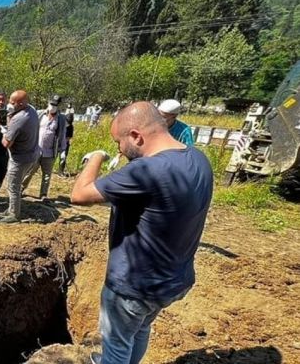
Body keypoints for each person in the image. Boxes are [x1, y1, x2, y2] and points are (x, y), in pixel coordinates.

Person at [69, 101, 213, 364]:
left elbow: (79, 194)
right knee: (140, 328)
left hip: (133, 285)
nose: (119, 150)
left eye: (119, 142)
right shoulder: (198, 159)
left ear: (136, 136)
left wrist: (96, 157)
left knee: (116, 346)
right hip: (172, 280)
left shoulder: (146, 170)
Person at [0, 90, 39, 223]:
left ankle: (14, 214)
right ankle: (11, 208)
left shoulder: (19, 119)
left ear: (21, 104)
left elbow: (6, 143)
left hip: (20, 159)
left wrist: (4, 131)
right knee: (14, 184)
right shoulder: (31, 110)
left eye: (12, 103)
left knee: (13, 186)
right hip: (31, 154)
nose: (9, 105)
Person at [22, 94, 68, 202]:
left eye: (55, 105)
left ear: (58, 106)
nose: (52, 107)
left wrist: (63, 151)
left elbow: (62, 135)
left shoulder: (61, 119)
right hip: (36, 150)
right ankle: (21, 189)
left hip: (50, 152)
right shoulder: (40, 114)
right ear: (48, 103)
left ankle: (43, 194)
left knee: (47, 175)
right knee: (30, 171)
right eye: (51, 104)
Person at [58, 102, 76, 176]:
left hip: (65, 143)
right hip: (58, 142)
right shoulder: (61, 123)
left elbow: (69, 137)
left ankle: (60, 171)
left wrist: (64, 143)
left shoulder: (71, 127)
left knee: (63, 158)